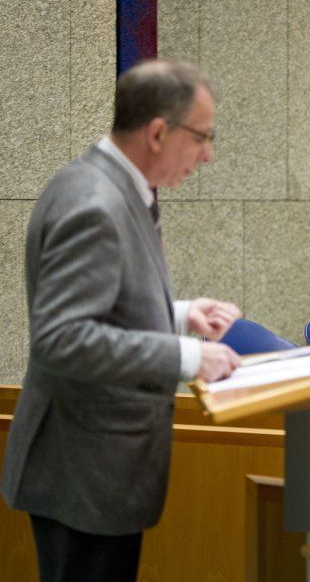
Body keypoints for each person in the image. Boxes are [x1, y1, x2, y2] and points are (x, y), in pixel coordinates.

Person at [1, 59, 243, 582]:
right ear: (158, 131)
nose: (208, 154)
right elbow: (62, 339)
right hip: (81, 473)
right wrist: (189, 357)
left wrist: (177, 315)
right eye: (201, 137)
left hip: (98, 467)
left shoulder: (112, 186)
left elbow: (103, 305)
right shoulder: (95, 202)